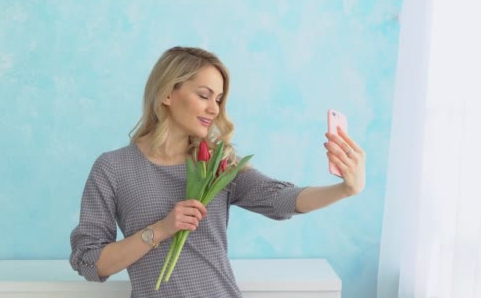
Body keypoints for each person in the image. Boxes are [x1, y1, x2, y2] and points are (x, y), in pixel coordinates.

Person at [69, 46, 366, 297]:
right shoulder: (114, 168)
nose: (214, 109)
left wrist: (345, 189)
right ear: (167, 94)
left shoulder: (216, 164)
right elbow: (92, 263)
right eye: (204, 95)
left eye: (219, 99)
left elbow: (281, 199)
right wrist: (161, 228)